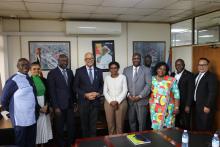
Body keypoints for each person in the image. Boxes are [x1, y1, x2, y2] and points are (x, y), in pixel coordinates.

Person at [1, 58, 39, 147]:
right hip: (20, 120)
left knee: (31, 143)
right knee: (21, 144)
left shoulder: (29, 78)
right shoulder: (13, 80)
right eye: (22, 64)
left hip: (32, 118)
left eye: (27, 64)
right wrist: (11, 111)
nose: (25, 66)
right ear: (18, 66)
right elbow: (3, 99)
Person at [47, 54, 75, 147]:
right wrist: (55, 107)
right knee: (59, 128)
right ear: (58, 61)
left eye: (66, 60)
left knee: (71, 127)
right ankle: (61, 144)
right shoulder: (52, 73)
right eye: (63, 60)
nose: (65, 62)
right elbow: (52, 91)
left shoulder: (70, 72)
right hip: (59, 106)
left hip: (70, 105)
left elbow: (72, 89)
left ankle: (71, 143)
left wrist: (75, 103)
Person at [74, 52, 103, 137]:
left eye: (91, 58)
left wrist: (98, 93)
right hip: (83, 103)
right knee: (84, 125)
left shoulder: (99, 71)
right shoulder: (79, 71)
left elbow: (102, 85)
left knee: (93, 125)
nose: (89, 60)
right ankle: (85, 143)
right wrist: (85, 94)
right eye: (88, 59)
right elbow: (75, 87)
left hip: (95, 103)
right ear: (85, 60)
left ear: (94, 60)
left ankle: (93, 143)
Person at [123, 53, 152, 132]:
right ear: (132, 59)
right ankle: (133, 137)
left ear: (140, 59)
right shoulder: (126, 70)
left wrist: (139, 96)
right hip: (130, 100)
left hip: (142, 101)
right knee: (131, 121)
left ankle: (142, 138)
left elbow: (148, 85)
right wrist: (128, 95)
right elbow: (123, 84)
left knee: (142, 122)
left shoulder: (146, 69)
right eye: (134, 58)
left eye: (138, 58)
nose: (136, 60)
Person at [149, 62, 180, 130]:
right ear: (157, 69)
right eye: (160, 68)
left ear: (166, 71)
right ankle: (157, 140)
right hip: (155, 108)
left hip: (168, 108)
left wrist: (176, 107)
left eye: (164, 69)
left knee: (168, 128)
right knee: (156, 128)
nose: (161, 71)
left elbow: (176, 94)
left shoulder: (171, 80)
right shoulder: (151, 79)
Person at [30, 62, 53, 146]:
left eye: (38, 69)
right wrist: (39, 108)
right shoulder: (28, 81)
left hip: (44, 105)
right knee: (37, 128)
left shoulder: (44, 80)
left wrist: (46, 105)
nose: (36, 70)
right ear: (30, 70)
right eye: (34, 69)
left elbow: (48, 94)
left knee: (44, 128)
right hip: (35, 107)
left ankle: (43, 145)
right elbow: (29, 97)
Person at [103, 61, 128, 135]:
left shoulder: (123, 77)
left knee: (120, 124)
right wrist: (111, 101)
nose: (113, 70)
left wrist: (117, 101)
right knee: (110, 124)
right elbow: (105, 91)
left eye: (115, 68)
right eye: (111, 68)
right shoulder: (107, 78)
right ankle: (112, 141)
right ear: (109, 69)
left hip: (121, 102)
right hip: (108, 102)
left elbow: (125, 90)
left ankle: (119, 141)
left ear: (118, 69)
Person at [194, 58, 217, 131]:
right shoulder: (196, 75)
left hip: (205, 107)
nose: (201, 67)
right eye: (199, 65)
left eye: (203, 65)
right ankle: (199, 141)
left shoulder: (211, 76)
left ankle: (206, 142)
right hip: (196, 106)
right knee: (198, 126)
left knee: (205, 128)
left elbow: (212, 92)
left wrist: (207, 105)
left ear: (207, 66)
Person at [171, 59, 194, 130]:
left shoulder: (189, 75)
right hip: (174, 103)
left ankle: (186, 137)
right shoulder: (172, 74)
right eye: (177, 64)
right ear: (175, 66)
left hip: (184, 104)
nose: (179, 66)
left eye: (180, 64)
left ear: (184, 65)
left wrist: (188, 105)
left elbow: (191, 91)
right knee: (175, 122)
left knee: (185, 123)